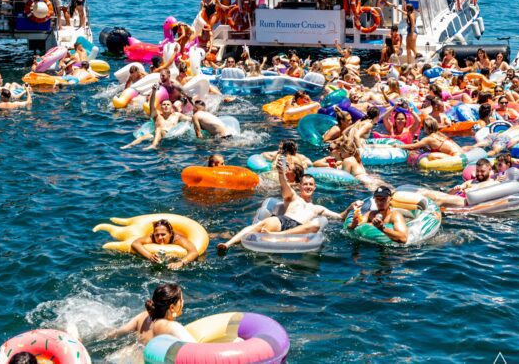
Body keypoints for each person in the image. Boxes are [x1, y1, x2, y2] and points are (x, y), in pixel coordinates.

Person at [217, 159, 357, 253]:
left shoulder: (318, 208)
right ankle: (228, 244)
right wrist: (280, 173)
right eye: (305, 184)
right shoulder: (293, 197)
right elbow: (285, 187)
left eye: (310, 184)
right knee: (262, 224)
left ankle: (275, 235)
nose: (308, 186)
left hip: (300, 228)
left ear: (315, 187)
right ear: (300, 187)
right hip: (284, 221)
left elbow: (340, 217)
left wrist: (350, 207)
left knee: (315, 225)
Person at [106, 283, 194, 345]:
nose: (183, 302)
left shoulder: (143, 317)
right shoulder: (172, 327)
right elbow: (195, 349)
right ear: (171, 307)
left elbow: (116, 333)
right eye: (181, 300)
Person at [122, 85, 191, 149]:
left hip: (169, 135)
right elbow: (151, 105)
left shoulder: (176, 115)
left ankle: (153, 145)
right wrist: (154, 91)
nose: (166, 106)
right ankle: (129, 145)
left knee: (159, 129)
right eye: (164, 105)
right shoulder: (157, 115)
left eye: (168, 105)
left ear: (171, 107)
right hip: (155, 135)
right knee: (141, 138)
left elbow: (190, 119)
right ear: (161, 107)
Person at [130, 218, 199, 270]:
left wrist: (181, 262)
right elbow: (135, 243)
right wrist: (150, 256)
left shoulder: (178, 239)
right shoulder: (152, 237)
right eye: (157, 235)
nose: (159, 237)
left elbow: (194, 252)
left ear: (170, 233)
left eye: (163, 234)